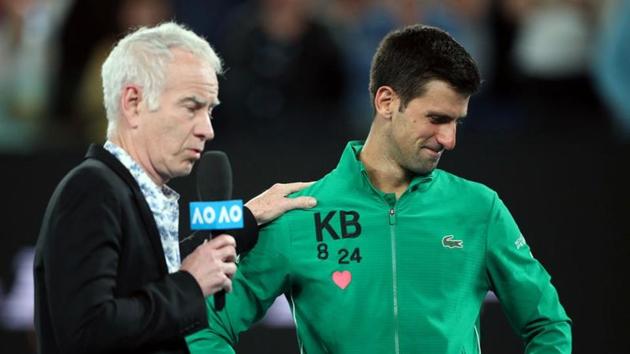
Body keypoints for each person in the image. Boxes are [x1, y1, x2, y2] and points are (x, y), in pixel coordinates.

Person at [186, 24, 572, 353]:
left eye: (457, 122)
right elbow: (206, 327)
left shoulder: (480, 209)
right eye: (437, 119)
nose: (450, 139)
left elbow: (548, 325)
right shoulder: (300, 214)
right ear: (387, 101)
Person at [33, 22, 316, 354]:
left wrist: (246, 219)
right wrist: (191, 284)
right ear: (133, 103)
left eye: (210, 111)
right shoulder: (93, 190)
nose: (207, 130)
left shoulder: (123, 191)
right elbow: (85, 333)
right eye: (191, 107)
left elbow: (147, 286)